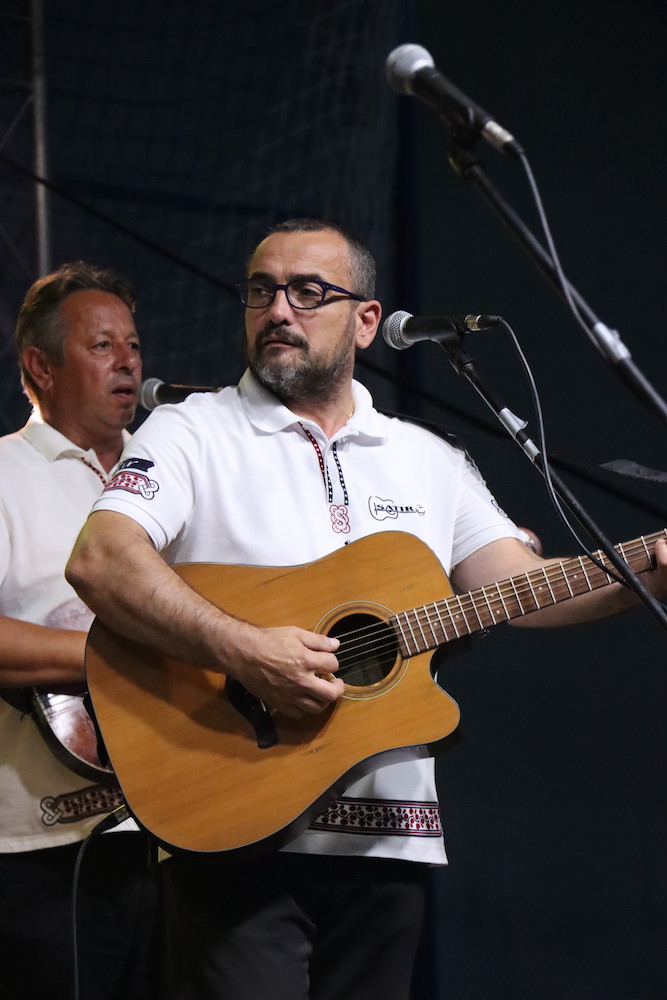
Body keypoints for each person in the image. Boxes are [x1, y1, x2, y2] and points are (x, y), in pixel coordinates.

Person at [65, 219, 667, 1000]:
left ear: (366, 321)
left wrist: (645, 576)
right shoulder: (191, 430)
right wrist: (244, 649)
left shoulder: (428, 457)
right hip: (234, 820)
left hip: (389, 845)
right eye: (261, 291)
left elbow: (521, 586)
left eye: (307, 292)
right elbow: (102, 557)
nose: (278, 310)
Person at [0, 262, 166, 1000]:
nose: (128, 361)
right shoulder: (4, 472)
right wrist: (116, 658)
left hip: (182, 835)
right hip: (42, 851)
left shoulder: (167, 476)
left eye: (133, 344)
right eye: (103, 345)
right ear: (41, 367)